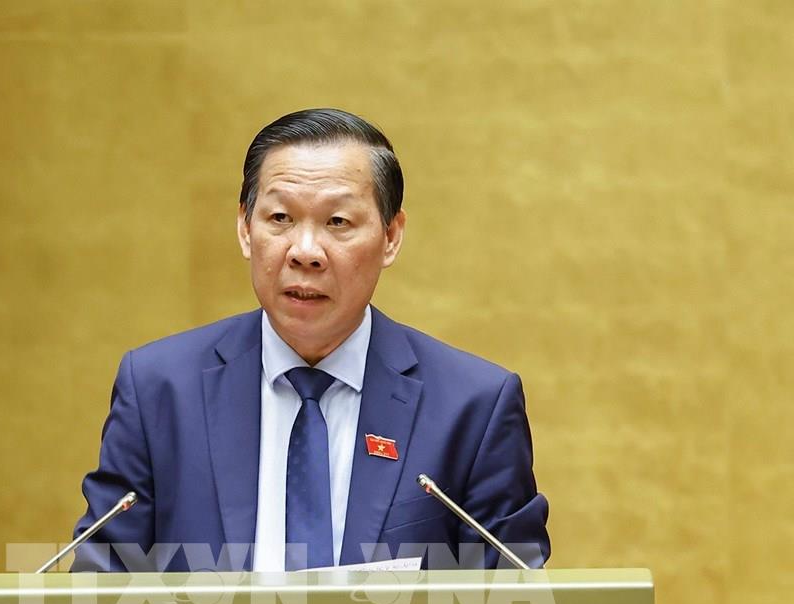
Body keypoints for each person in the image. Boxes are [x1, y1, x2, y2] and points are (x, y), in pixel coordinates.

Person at [71, 108, 550, 572]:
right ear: (245, 228)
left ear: (391, 236)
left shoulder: (473, 407)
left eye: (337, 222)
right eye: (280, 218)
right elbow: (98, 591)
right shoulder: (158, 391)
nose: (304, 252)